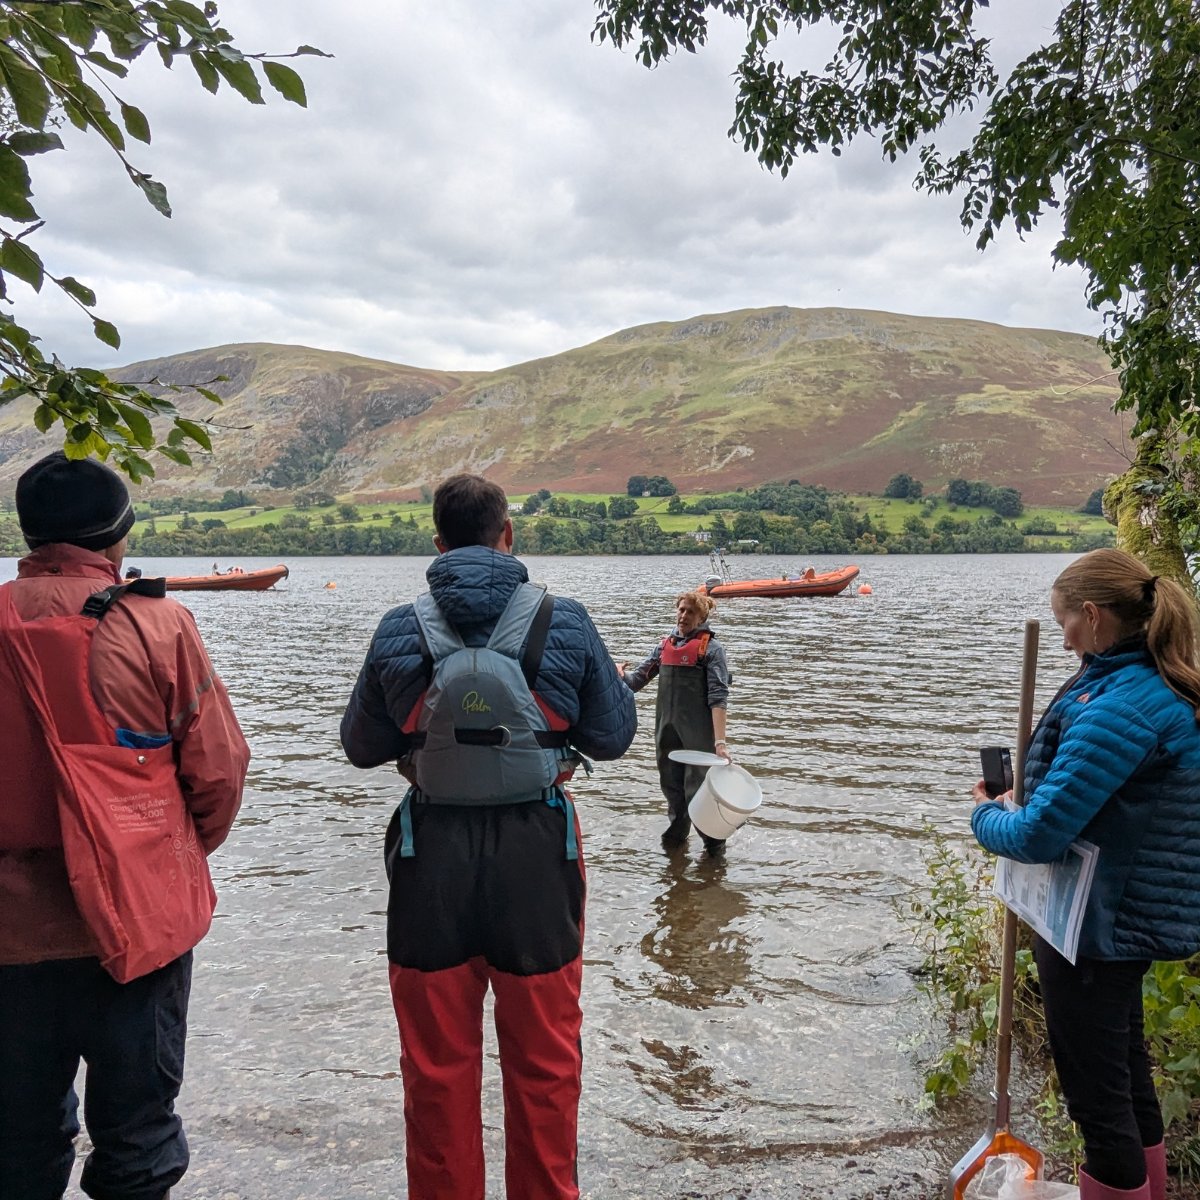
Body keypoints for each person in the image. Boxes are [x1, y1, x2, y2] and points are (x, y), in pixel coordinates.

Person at [340, 472, 636, 1200]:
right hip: (537, 856)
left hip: (429, 856)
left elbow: (360, 745)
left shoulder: (398, 626)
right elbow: (614, 737)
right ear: (509, 535)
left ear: (437, 544)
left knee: (437, 1069)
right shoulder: (564, 621)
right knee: (545, 1063)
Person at [0, 451, 250, 1200]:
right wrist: (160, 854)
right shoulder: (160, 623)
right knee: (138, 1137)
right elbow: (220, 772)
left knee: (17, 1139)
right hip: (139, 925)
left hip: (9, 932)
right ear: (118, 536)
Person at [971, 548, 1200, 1200]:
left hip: (1095, 926)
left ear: (1094, 616)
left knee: (1098, 1106)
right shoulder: (1156, 683)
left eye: (1064, 621)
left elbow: (1041, 834)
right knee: (1126, 1077)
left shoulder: (1119, 706)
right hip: (1125, 921)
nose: (1063, 635)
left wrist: (985, 816)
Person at [619, 589, 732, 855]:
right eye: (681, 610)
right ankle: (675, 843)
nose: (683, 616)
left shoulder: (711, 650)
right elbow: (636, 682)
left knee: (698, 793)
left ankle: (714, 850)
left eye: (690, 611)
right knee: (671, 788)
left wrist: (720, 742)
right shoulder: (663, 646)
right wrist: (618, 675)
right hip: (666, 733)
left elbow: (718, 698)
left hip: (698, 736)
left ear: (702, 615)